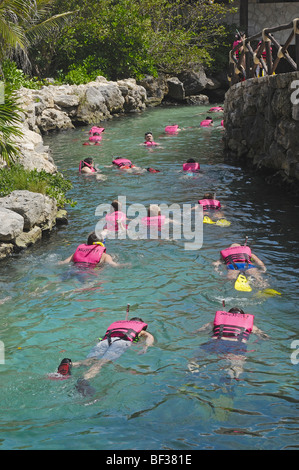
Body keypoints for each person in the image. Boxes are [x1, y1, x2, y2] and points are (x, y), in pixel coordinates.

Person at [56, 316, 154, 395]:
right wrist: (146, 347)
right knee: (101, 363)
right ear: (140, 324)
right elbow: (150, 337)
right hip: (122, 342)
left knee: (89, 360)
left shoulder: (118, 326)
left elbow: (99, 339)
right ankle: (84, 380)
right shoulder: (139, 330)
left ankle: (71, 364)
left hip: (105, 341)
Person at [189, 307, 269, 379]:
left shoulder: (213, 323)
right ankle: (232, 377)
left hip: (216, 343)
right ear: (243, 316)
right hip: (236, 346)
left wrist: (193, 333)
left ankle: (192, 369)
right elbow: (263, 336)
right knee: (237, 367)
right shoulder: (251, 326)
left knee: (195, 358)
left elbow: (199, 331)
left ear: (227, 315)